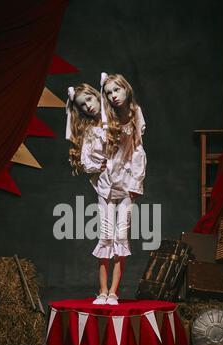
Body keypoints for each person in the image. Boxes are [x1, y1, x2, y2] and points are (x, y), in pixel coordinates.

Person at [80, 73, 147, 305]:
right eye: (108, 92)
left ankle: (113, 292)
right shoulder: (102, 120)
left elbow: (138, 149)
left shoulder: (135, 112)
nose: (113, 96)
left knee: (121, 234)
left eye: (116, 90)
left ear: (126, 89)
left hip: (127, 182)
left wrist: (136, 182)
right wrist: (96, 166)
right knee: (106, 234)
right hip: (106, 184)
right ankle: (102, 291)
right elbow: (88, 155)